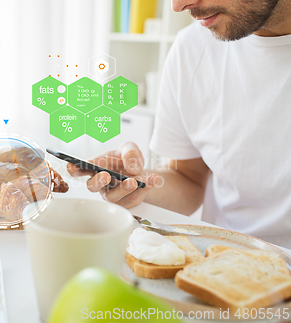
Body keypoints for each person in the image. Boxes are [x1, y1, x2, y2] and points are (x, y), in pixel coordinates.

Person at [68, 0, 291, 247]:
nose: (178, 5)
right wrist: (138, 184)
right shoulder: (193, 48)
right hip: (219, 259)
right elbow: (188, 179)